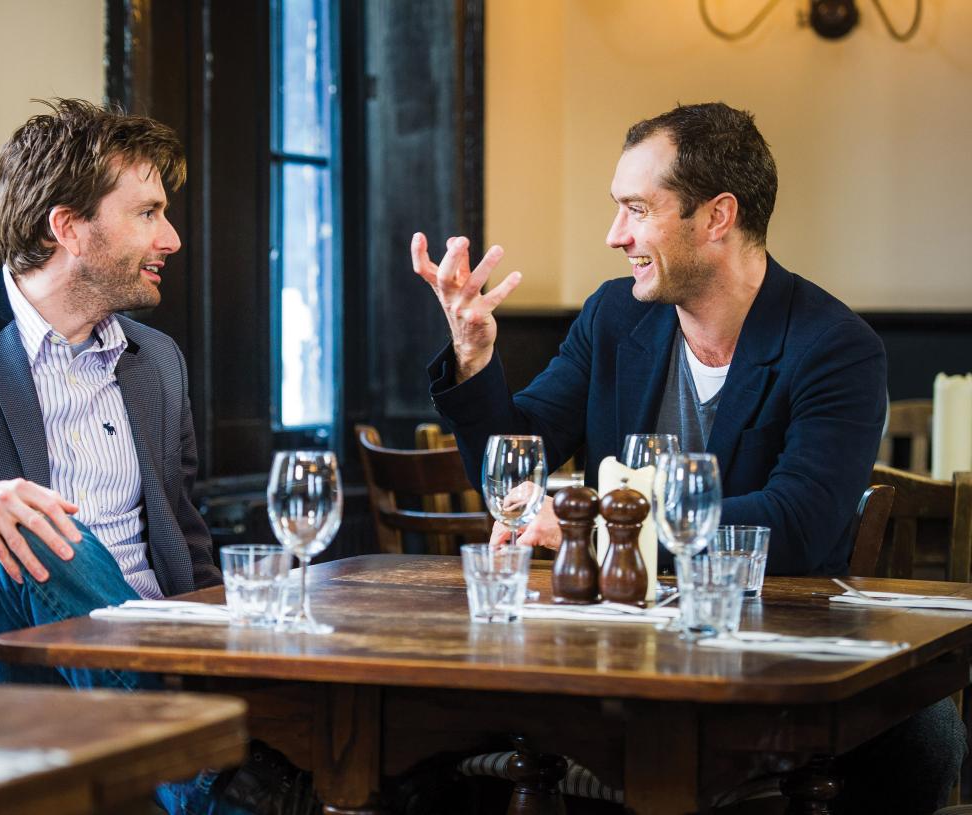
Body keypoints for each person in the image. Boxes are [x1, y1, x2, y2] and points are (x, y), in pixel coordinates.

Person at [412, 102, 964, 814]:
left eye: (637, 209)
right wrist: (474, 355)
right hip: (617, 655)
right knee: (422, 743)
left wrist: (601, 525)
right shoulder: (614, 317)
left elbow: (796, 521)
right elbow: (517, 465)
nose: (615, 235)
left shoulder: (836, 347)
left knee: (928, 735)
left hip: (773, 654)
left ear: (716, 216)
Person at [0, 99, 281, 814]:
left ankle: (217, 764)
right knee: (34, 530)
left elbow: (188, 554)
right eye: (148, 212)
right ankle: (216, 782)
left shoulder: (156, 360)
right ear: (67, 227)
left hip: (155, 662)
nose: (173, 237)